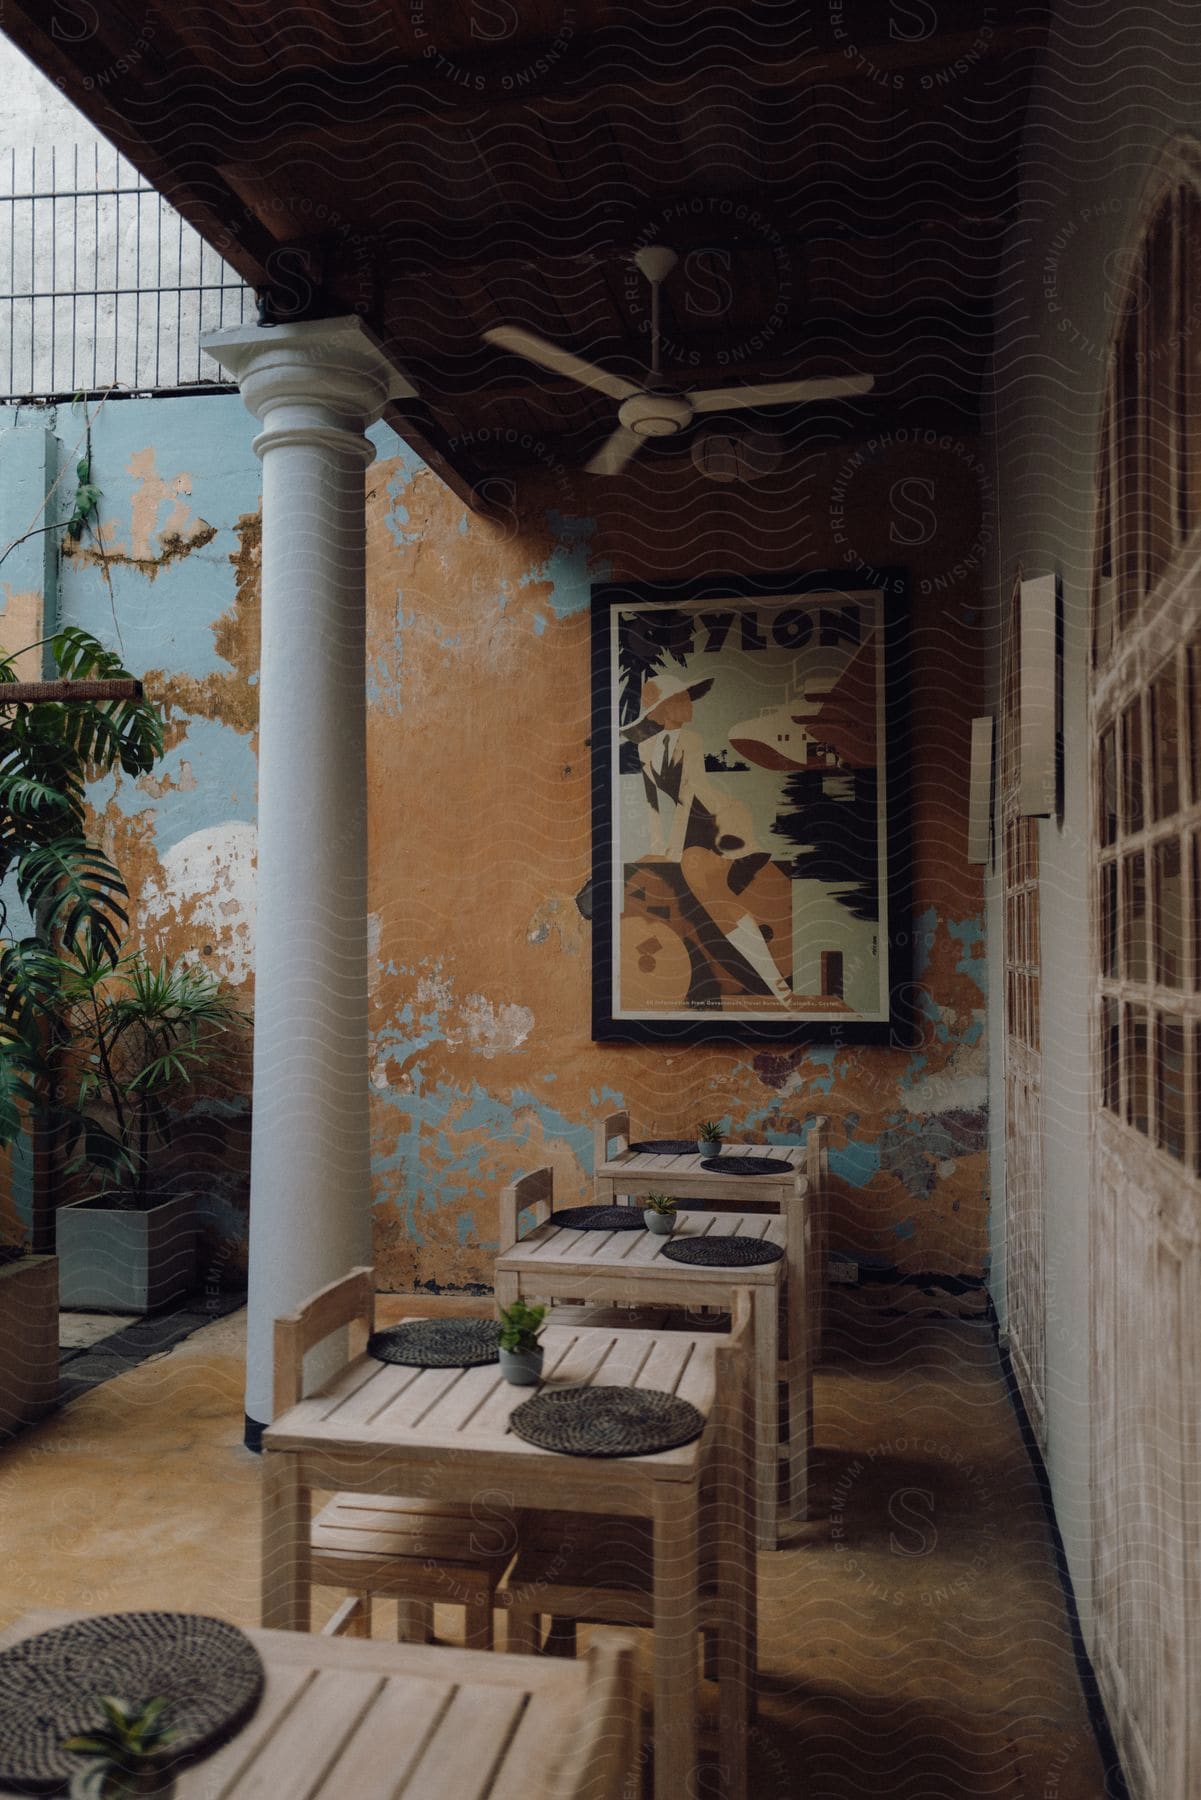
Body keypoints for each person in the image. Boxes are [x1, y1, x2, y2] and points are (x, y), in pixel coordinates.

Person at [623, 671, 792, 1004]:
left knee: (707, 883)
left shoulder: (692, 741)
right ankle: (771, 983)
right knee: (695, 884)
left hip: (716, 822)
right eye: (683, 699)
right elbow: (651, 803)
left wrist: (672, 850)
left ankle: (776, 984)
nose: (690, 704)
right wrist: (657, 847)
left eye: (689, 697)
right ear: (664, 709)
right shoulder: (645, 748)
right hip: (688, 829)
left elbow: (688, 797)